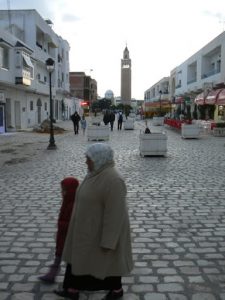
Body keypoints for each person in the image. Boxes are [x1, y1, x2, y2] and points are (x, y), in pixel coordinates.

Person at [54, 143, 133, 300]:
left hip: (98, 233)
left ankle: (116, 291)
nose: (86, 162)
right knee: (77, 261)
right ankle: (72, 289)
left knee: (108, 264)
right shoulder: (96, 172)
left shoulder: (113, 180)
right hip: (86, 230)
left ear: (99, 159)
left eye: (88, 159)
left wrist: (108, 241)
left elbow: (116, 214)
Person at [39, 177, 79, 284]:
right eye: (62, 190)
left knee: (64, 255)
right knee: (59, 253)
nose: (62, 192)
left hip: (68, 235)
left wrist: (62, 225)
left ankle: (55, 273)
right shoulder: (67, 201)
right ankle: (53, 272)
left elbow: (72, 222)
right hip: (62, 234)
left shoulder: (73, 204)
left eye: (64, 190)